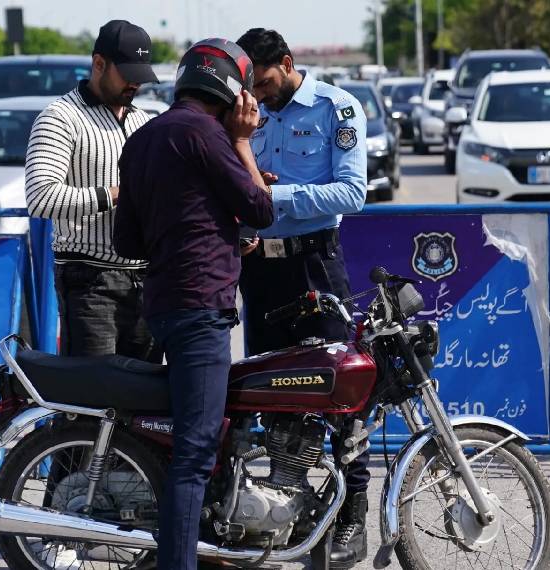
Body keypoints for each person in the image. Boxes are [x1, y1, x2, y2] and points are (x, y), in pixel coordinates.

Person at [113, 39, 274, 570]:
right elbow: (259, 207)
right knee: (194, 455)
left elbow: (128, 242)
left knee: (194, 442)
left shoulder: (141, 139)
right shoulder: (209, 135)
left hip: (161, 304)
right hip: (201, 307)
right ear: (230, 88)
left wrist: (212, 230)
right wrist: (244, 144)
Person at [234, 28, 370, 568]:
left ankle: (351, 514)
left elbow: (353, 192)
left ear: (287, 64)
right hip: (261, 274)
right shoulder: (247, 112)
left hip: (315, 267)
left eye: (264, 81)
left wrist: (274, 197)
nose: (259, 94)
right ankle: (285, 507)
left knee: (341, 395)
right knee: (269, 394)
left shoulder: (338, 109)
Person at [23, 20, 160, 362]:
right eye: (127, 73)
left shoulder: (143, 120)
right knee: (91, 403)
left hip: (146, 280)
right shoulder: (60, 117)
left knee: (143, 403)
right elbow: (40, 197)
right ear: (99, 63)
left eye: (141, 74)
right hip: (90, 280)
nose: (135, 83)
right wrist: (116, 194)